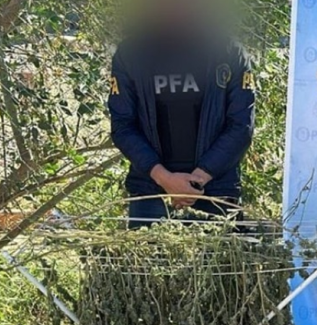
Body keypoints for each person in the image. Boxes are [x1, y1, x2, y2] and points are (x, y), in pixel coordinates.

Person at [108, 0, 255, 229]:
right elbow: (123, 126)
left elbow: (241, 127)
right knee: (147, 254)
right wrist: (165, 179)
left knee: (219, 254)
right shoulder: (131, 54)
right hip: (150, 192)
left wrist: (197, 181)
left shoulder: (229, 53)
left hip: (215, 189)